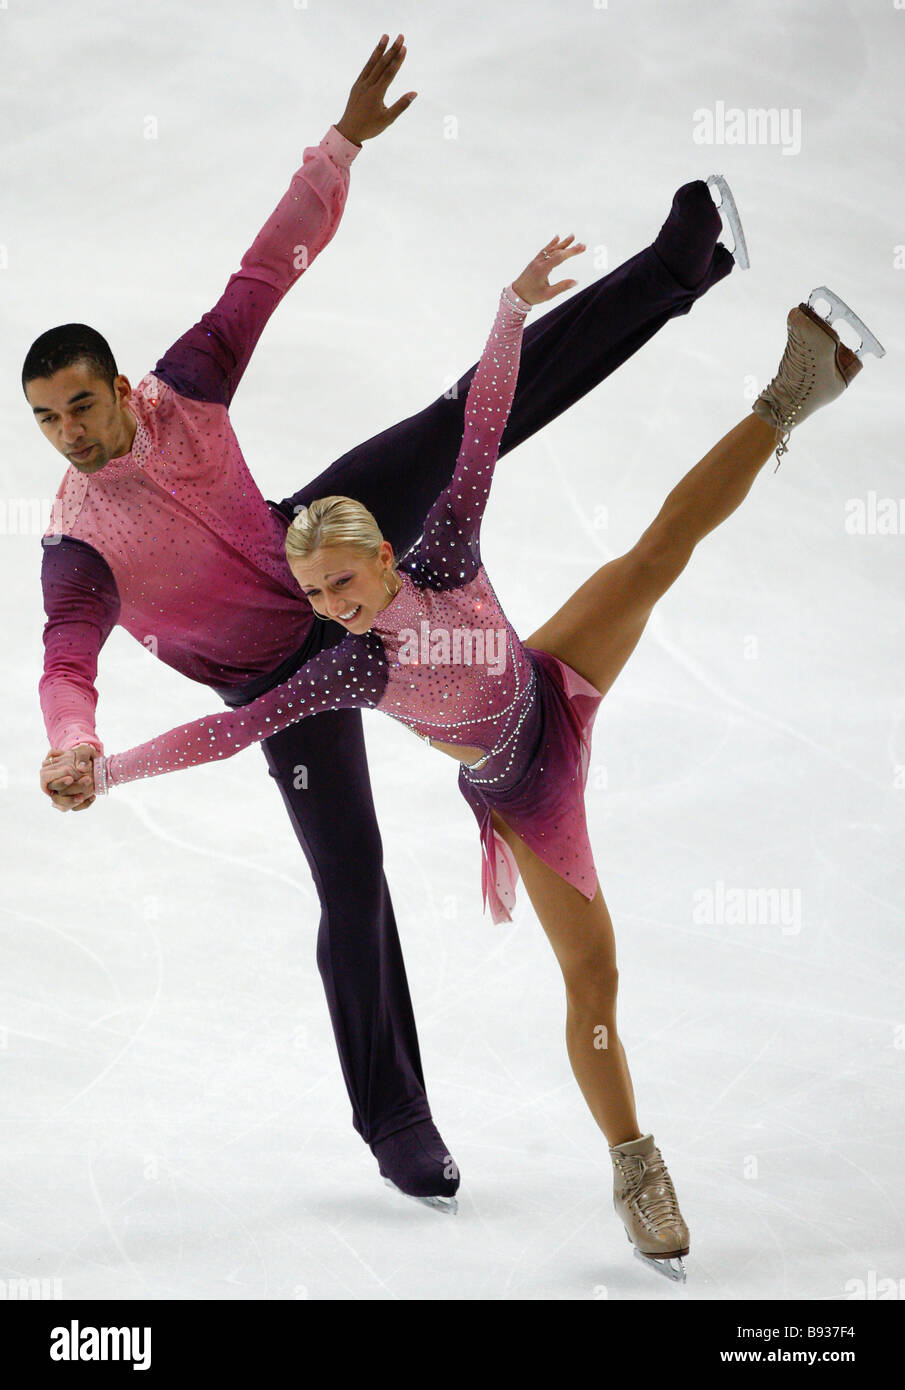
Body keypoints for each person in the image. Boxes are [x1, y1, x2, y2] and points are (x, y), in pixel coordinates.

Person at [78, 218, 872, 1275]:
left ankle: (793, 388)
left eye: (339, 584)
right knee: (593, 982)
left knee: (652, 556)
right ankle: (635, 1168)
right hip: (527, 784)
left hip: (548, 679)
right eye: (313, 595)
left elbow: (483, 416)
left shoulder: (444, 542)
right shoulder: (347, 667)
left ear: (375, 552)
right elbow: (231, 729)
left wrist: (510, 305)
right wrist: (115, 765)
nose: (328, 606)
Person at [29, 34, 738, 1211]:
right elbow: (66, 656)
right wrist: (72, 739)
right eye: (47, 420)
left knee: (470, 420)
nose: (70, 432)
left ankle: (677, 267)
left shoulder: (183, 388)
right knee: (350, 884)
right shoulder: (78, 542)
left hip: (318, 552)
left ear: (115, 383)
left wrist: (341, 141)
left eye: (80, 404)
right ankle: (397, 1121)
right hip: (291, 669)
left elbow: (264, 271)